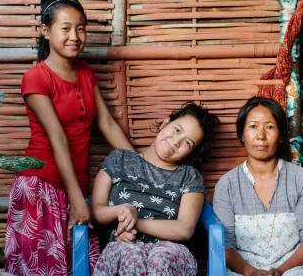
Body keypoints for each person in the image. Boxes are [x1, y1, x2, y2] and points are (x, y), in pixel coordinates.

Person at [4, 0, 135, 275]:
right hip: (40, 187)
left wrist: (142, 168)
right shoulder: (36, 77)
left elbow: (107, 125)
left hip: (74, 186)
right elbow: (57, 138)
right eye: (65, 28)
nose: (75, 37)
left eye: (81, 28)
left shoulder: (85, 72)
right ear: (45, 31)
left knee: (81, 265)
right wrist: (78, 200)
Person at [91, 103, 219, 276]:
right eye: (177, 130)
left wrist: (134, 223)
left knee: (161, 258)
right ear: (166, 123)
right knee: (131, 254)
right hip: (122, 246)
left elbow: (185, 229)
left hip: (170, 253)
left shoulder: (189, 177)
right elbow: (95, 212)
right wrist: (122, 211)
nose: (177, 141)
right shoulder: (119, 159)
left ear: (192, 153)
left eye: (188, 142)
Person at [213, 97, 303, 276]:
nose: (261, 135)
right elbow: (225, 245)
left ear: (280, 136)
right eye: (253, 126)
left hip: (292, 270)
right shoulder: (227, 185)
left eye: (270, 127)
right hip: (243, 272)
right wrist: (250, 271)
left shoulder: (301, 179)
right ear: (242, 134)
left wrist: (280, 271)